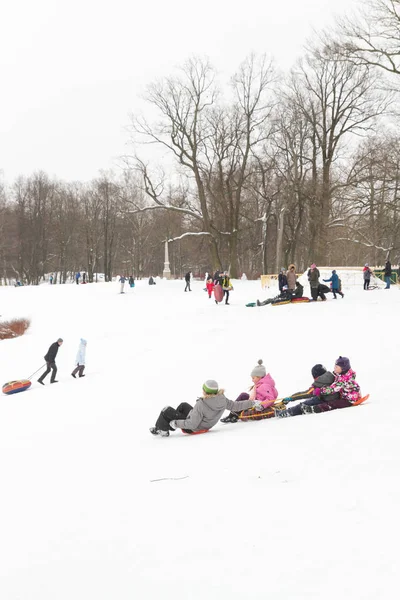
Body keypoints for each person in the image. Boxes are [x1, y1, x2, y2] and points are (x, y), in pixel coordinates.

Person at [150, 379, 261, 436]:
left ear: (206, 391)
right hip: (206, 423)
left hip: (194, 427)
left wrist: (176, 423)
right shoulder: (222, 399)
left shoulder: (201, 404)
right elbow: (236, 405)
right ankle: (168, 427)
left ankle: (162, 430)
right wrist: (252, 403)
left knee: (166, 410)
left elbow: (192, 424)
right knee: (184, 405)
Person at [221, 359, 278, 423]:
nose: (252, 380)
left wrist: (262, 405)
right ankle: (234, 415)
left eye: (253, 378)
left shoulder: (264, 386)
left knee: (243, 396)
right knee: (244, 395)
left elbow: (270, 398)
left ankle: (233, 415)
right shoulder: (261, 384)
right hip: (255, 401)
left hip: (258, 404)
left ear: (259, 377)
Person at [275, 364, 341, 418]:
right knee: (312, 400)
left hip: (324, 400)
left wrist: (291, 398)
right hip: (331, 400)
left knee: (303, 405)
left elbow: (306, 393)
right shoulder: (331, 376)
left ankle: (284, 413)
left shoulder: (320, 381)